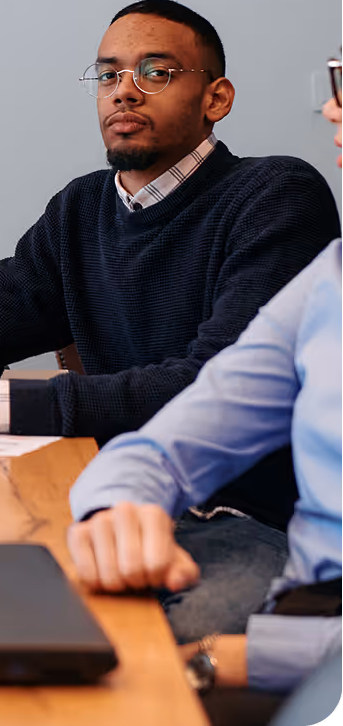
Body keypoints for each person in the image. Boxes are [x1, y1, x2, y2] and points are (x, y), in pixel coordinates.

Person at [0, 0, 339, 535]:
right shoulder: (81, 208)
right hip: (113, 496)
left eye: (155, 73)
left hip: (239, 515)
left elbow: (209, 390)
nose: (124, 90)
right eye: (109, 74)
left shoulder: (277, 196)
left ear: (216, 99)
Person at [65, 75, 342, 724]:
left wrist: (229, 659)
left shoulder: (274, 198)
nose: (331, 105)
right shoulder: (330, 277)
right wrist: (118, 505)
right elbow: (174, 436)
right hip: (292, 615)